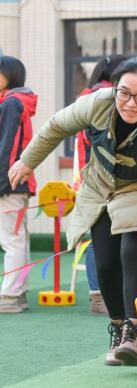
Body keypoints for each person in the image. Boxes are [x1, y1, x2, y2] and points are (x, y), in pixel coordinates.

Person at [8, 57, 137, 366]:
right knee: (104, 262)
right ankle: (118, 326)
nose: (131, 103)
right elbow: (56, 126)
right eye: (124, 93)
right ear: (114, 88)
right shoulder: (97, 103)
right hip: (102, 184)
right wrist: (27, 160)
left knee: (131, 250)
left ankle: (134, 328)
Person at [73, 54, 127, 315]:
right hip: (111, 177)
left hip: (91, 177)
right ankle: (104, 295)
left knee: (98, 237)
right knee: (110, 238)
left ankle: (98, 294)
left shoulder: (84, 98)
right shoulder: (110, 98)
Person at [0, 56, 37, 314]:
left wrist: (2, 181)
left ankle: (10, 295)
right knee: (18, 238)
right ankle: (18, 293)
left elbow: (8, 146)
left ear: (10, 76)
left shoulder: (12, 102)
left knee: (11, 239)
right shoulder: (15, 101)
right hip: (16, 180)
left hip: (9, 181)